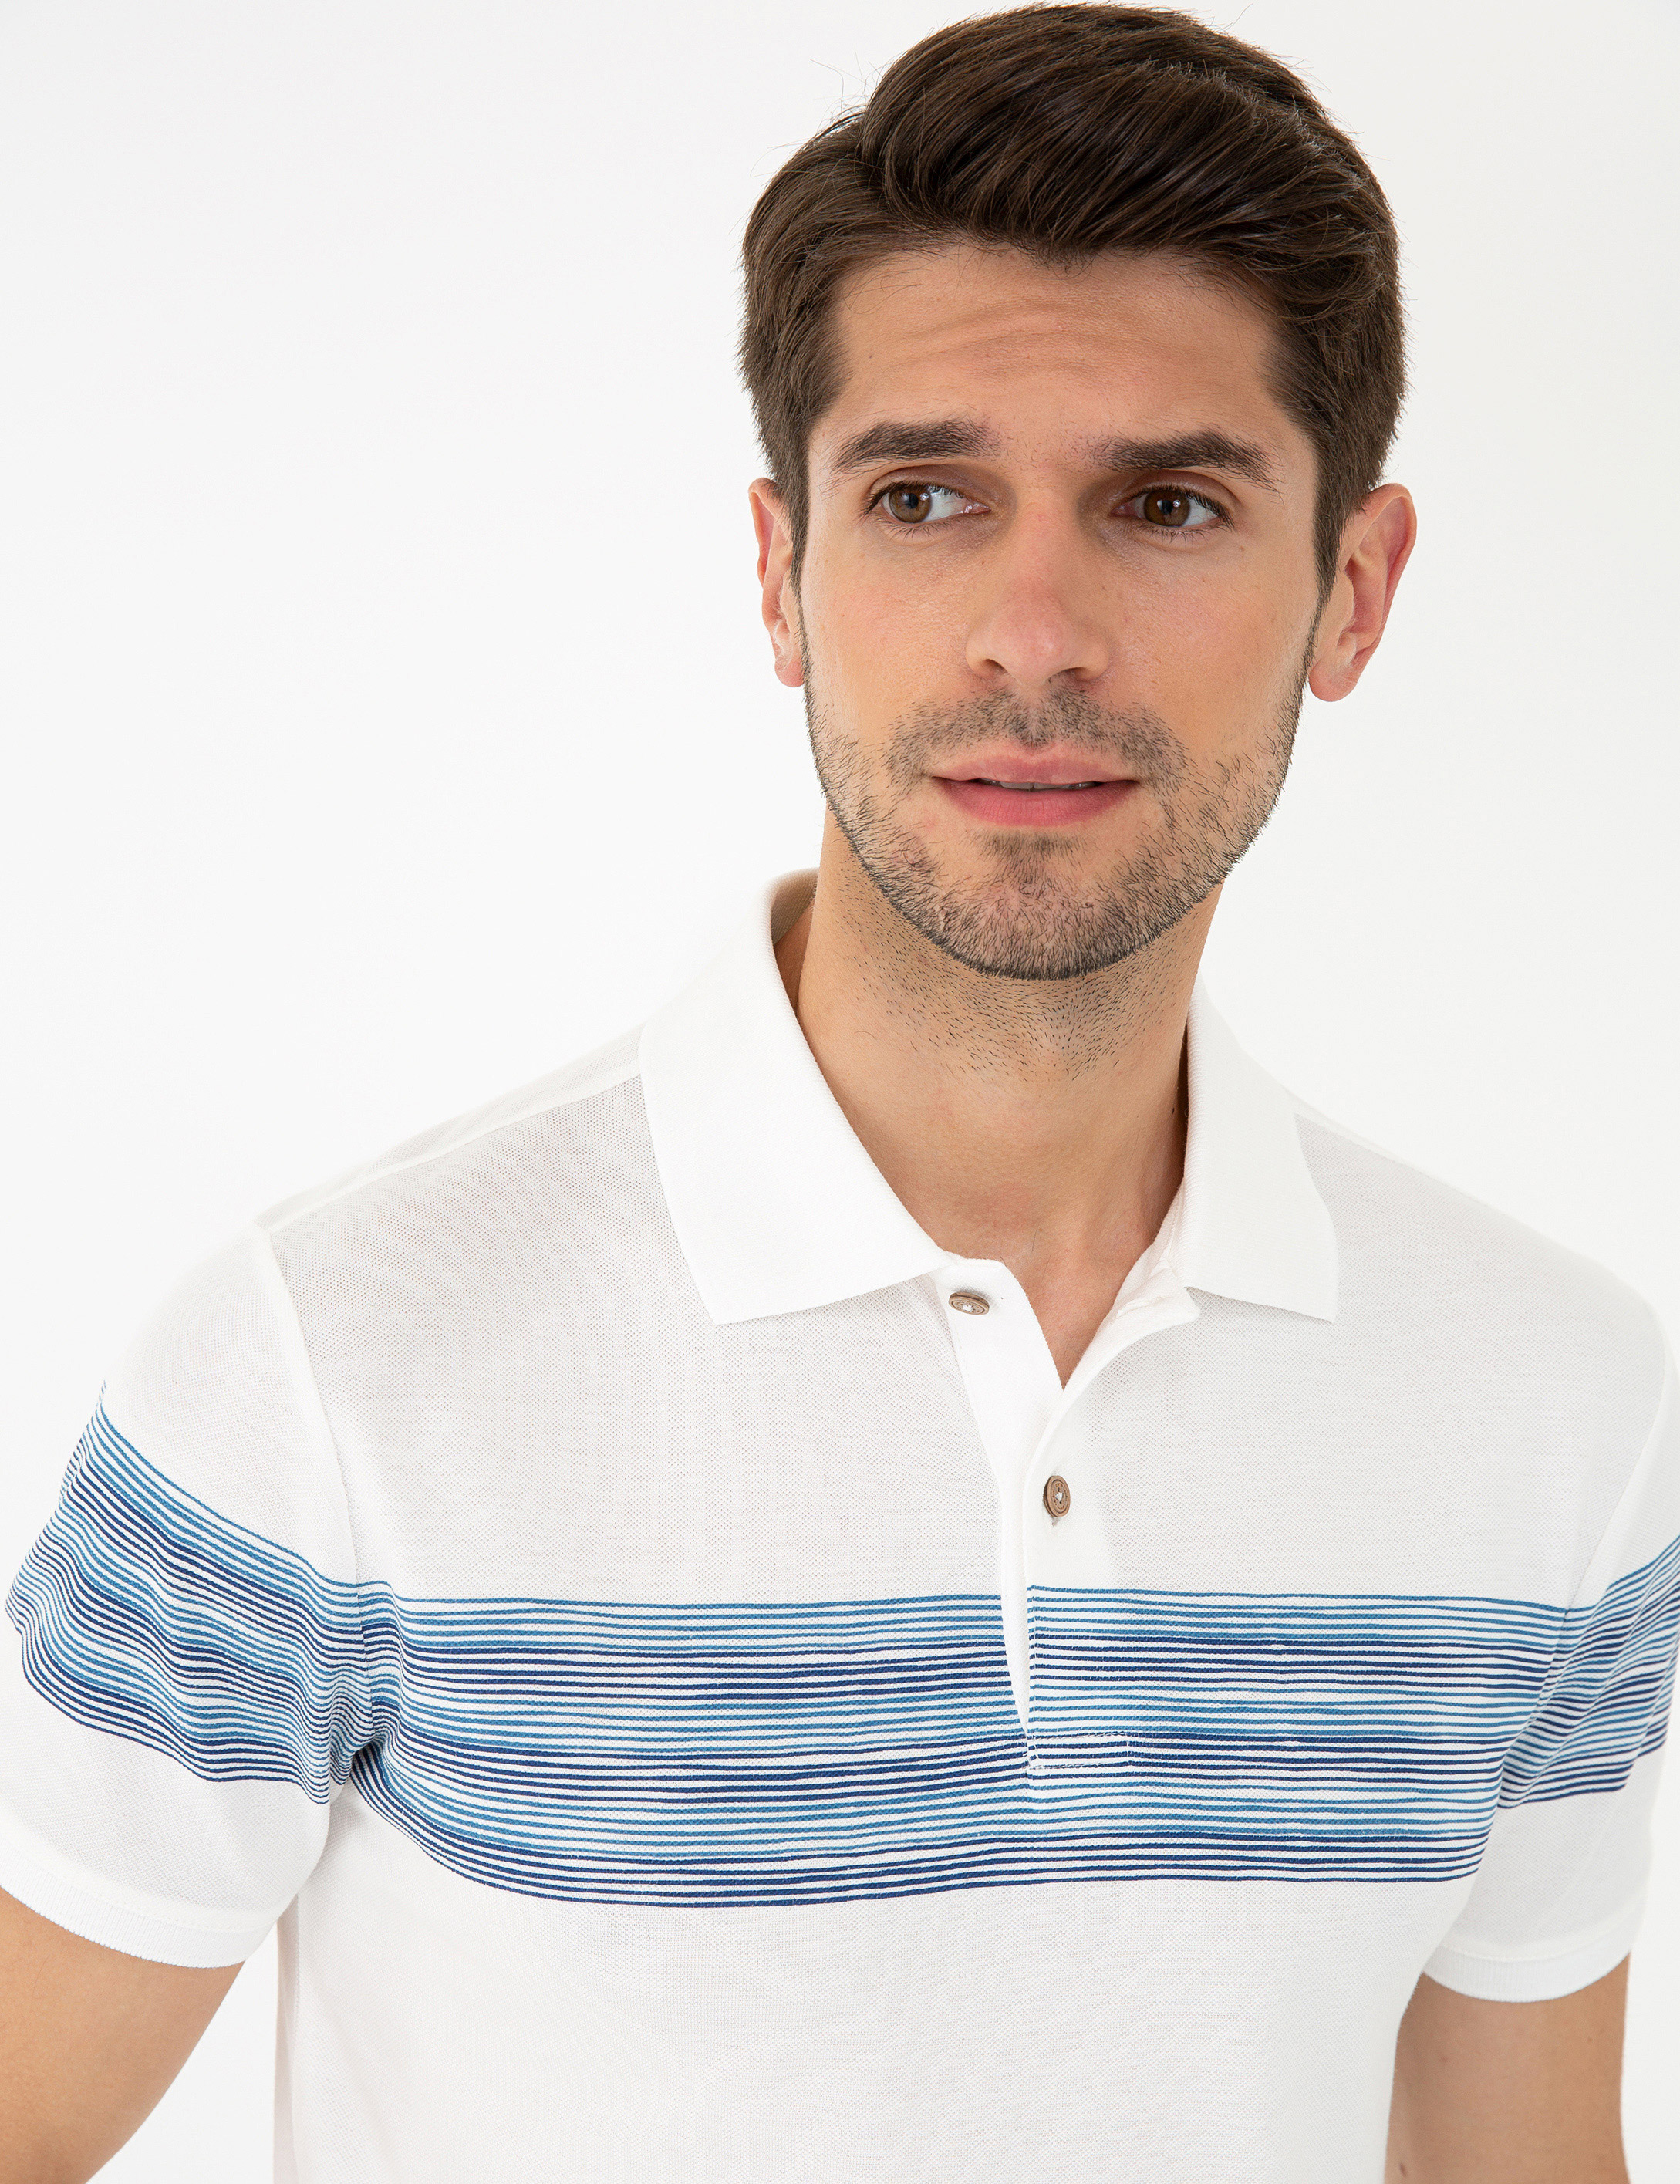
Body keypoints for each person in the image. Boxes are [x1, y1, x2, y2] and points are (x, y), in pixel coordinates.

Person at [2, 4, 1674, 2177]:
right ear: (784, 575)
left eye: (1167, 503)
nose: (1033, 629)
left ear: (1349, 593)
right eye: (925, 497)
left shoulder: (1557, 1410)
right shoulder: (327, 1368)